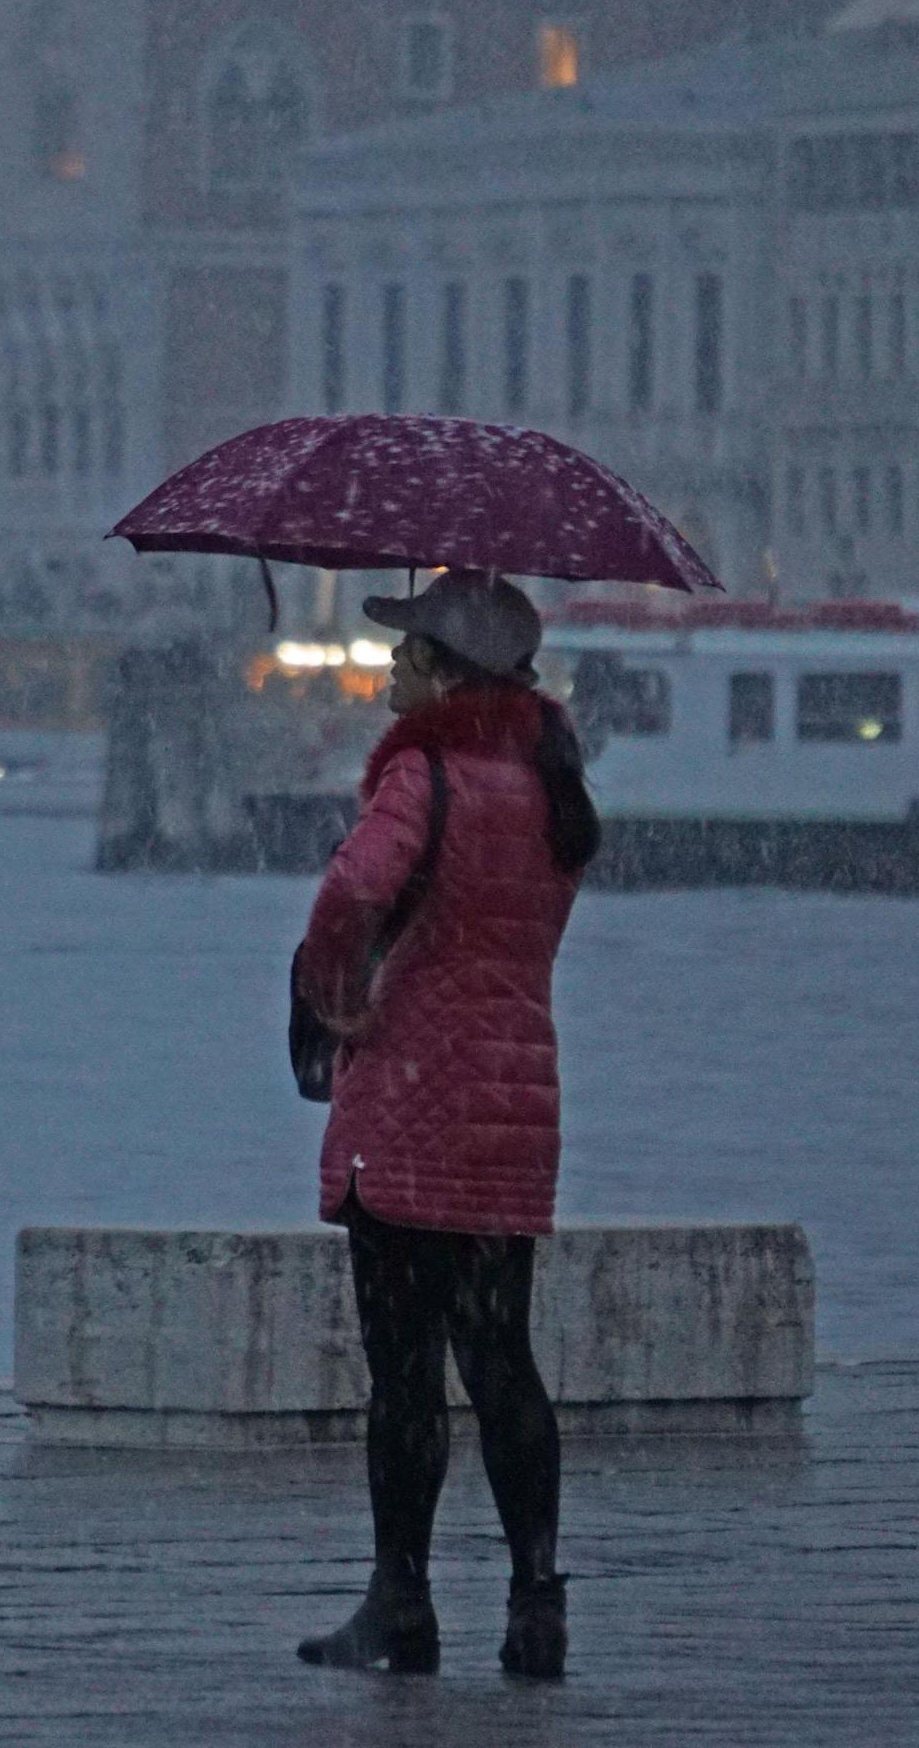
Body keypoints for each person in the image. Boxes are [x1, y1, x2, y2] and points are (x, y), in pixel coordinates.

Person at [290, 569, 599, 1682]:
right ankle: (536, 1597)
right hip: (513, 1107)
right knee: (503, 1358)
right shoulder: (547, 779)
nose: (386, 667)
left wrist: (336, 995)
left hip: (414, 1102)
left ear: (442, 672)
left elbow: (348, 896)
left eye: (404, 651)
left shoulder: (421, 774)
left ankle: (403, 1600)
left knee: (407, 1373)